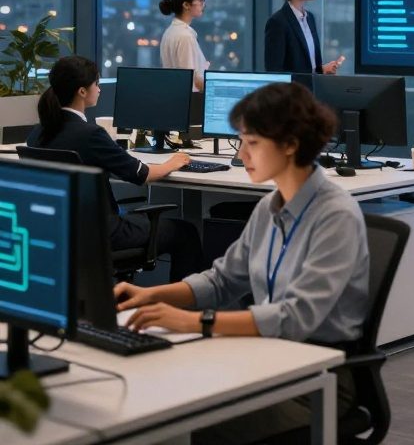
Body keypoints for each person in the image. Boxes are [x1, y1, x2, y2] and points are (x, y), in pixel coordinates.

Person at [116, 82, 369, 445]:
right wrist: (150, 295)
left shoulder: (335, 215)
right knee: (157, 396)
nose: (242, 154)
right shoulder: (271, 206)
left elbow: (296, 317)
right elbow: (222, 281)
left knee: (183, 421)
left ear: (290, 145)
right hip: (267, 358)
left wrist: (193, 321)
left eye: (252, 143)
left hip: (319, 376)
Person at [26, 55, 203, 282]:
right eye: (96, 84)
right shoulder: (91, 135)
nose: (99, 89)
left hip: (59, 229)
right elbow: (143, 174)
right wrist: (173, 162)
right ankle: (181, 311)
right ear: (82, 91)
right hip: (103, 233)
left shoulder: (38, 132)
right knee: (185, 233)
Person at [264, 0, 344, 75]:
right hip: (293, 91)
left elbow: (310, 65)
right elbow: (274, 71)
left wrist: (322, 70)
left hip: (312, 90)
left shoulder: (310, 18)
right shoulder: (277, 22)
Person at [159, 0, 210, 91]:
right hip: (189, 104)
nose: (203, 4)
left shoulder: (170, 32)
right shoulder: (185, 36)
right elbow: (190, 83)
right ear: (186, 5)